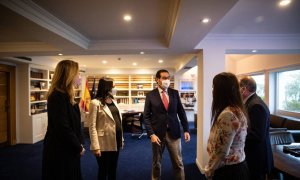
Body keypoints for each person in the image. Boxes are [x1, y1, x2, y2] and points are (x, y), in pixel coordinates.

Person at [144, 69, 190, 180]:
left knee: (178, 163)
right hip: (157, 135)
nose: (167, 80)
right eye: (164, 78)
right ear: (157, 80)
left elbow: (181, 112)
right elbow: (146, 117)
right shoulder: (150, 95)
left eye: (168, 77)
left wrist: (186, 129)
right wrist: (151, 134)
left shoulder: (174, 93)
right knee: (156, 163)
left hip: (174, 133)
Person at [42, 60, 85, 180]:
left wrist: (79, 143)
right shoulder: (57, 97)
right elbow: (63, 128)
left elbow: (74, 125)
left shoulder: (67, 96)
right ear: (69, 75)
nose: (80, 77)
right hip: (60, 151)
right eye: (78, 74)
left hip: (68, 149)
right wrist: (78, 146)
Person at [205, 72, 249, 180]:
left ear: (221, 91)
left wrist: (209, 169)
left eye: (213, 87)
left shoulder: (228, 114)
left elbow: (221, 152)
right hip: (236, 167)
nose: (212, 91)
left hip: (228, 171)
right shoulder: (235, 109)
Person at [88, 77, 123, 180]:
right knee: (103, 169)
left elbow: (118, 120)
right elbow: (92, 126)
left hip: (116, 139)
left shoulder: (113, 101)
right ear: (107, 87)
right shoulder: (95, 103)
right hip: (103, 142)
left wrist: (121, 138)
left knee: (113, 168)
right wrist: (95, 146)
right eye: (113, 86)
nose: (115, 88)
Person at [240, 76, 273, 180]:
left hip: (257, 158)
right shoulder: (251, 102)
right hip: (253, 155)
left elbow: (258, 135)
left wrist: (237, 134)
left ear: (244, 89)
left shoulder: (256, 105)